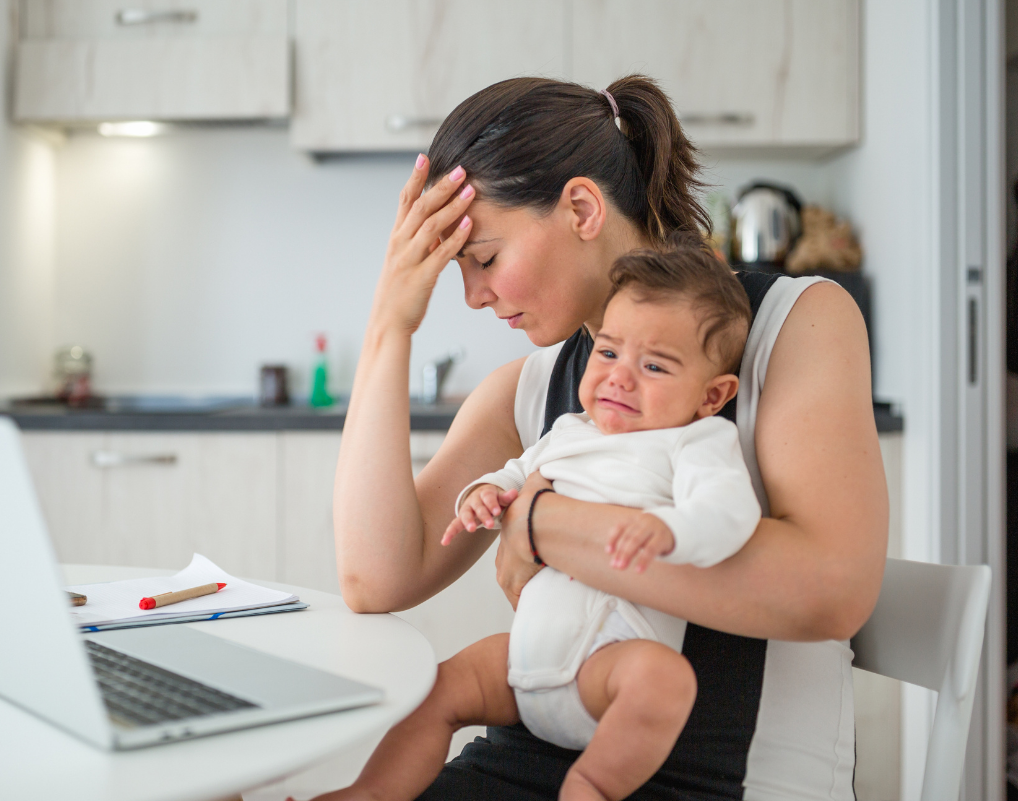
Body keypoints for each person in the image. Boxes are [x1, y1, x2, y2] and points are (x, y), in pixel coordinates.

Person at [332, 75, 888, 799]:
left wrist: (536, 522)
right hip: (524, 762)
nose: (471, 296)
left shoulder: (795, 323)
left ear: (582, 208)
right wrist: (388, 326)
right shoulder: (525, 389)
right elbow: (376, 578)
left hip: (723, 784)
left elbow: (832, 590)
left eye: (486, 259)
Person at [315, 241, 761, 801]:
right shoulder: (571, 428)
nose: (620, 378)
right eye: (607, 353)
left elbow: (730, 512)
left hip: (609, 664)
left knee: (665, 683)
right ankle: (372, 792)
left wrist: (674, 531)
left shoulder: (696, 441)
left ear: (711, 395)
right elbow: (517, 472)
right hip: (527, 655)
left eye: (653, 366)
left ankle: (591, 786)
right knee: (440, 686)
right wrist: (483, 494)